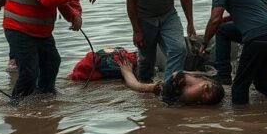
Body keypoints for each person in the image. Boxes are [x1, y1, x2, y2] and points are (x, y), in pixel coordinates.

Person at [67, 47, 224, 105]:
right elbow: (133, 83)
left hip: (115, 62)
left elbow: (135, 85)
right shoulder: (198, 80)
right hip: (117, 61)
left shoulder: (180, 87)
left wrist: (129, 74)